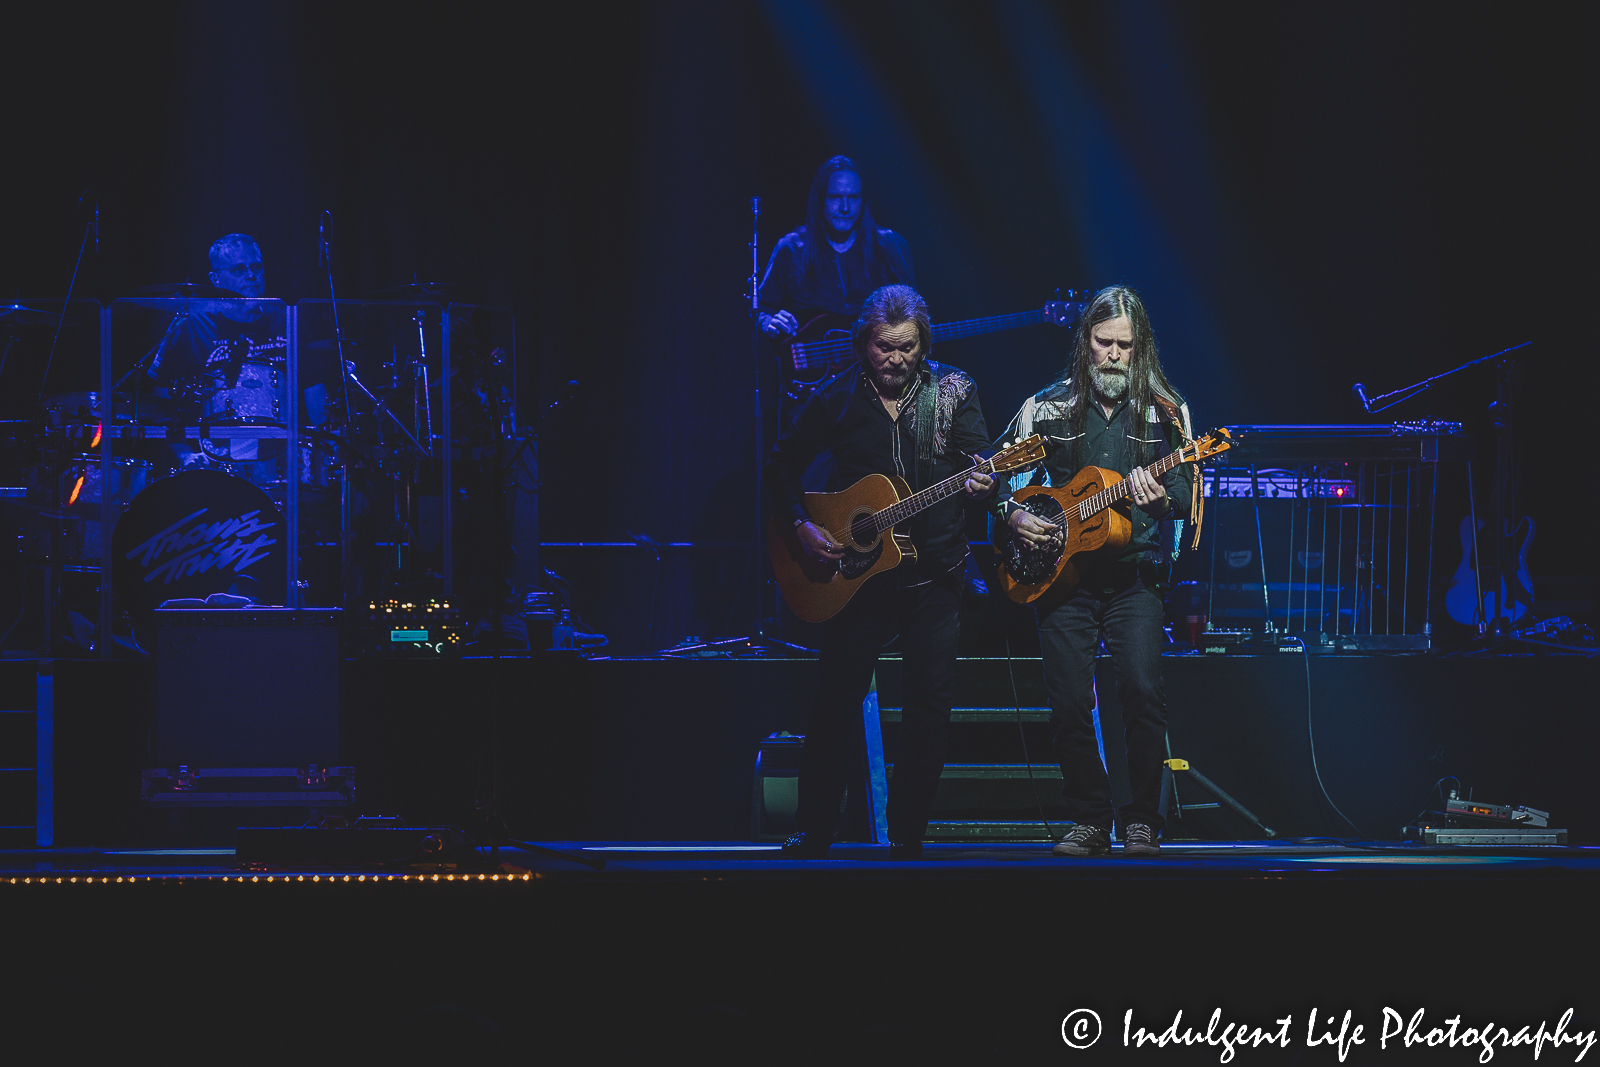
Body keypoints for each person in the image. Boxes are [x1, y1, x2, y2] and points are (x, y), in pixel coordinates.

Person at [765, 284, 995, 859]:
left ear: (924, 343)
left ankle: (908, 836)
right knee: (835, 698)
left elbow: (979, 459)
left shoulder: (953, 390)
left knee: (929, 702)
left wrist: (984, 481)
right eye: (884, 348)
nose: (896, 360)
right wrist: (801, 526)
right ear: (863, 342)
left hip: (937, 567)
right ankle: (816, 827)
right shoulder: (836, 396)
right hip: (858, 572)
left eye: (907, 348)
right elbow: (779, 466)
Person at [991, 286, 1195, 857]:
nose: (1111, 355)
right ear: (1084, 342)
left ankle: (1142, 820)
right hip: (1061, 577)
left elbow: (1185, 491)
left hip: (1135, 577)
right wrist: (1011, 515)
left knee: (1141, 691)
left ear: (1140, 348)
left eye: (1123, 346)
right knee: (1068, 702)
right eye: (1102, 342)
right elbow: (999, 472)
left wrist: (1159, 502)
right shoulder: (1046, 407)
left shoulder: (1166, 410)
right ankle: (1088, 817)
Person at [757, 156, 915, 340]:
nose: (845, 208)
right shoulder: (791, 248)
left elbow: (913, 312)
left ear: (863, 200)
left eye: (853, 197)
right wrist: (769, 322)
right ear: (820, 200)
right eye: (835, 197)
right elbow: (762, 307)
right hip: (812, 366)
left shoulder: (889, 244)